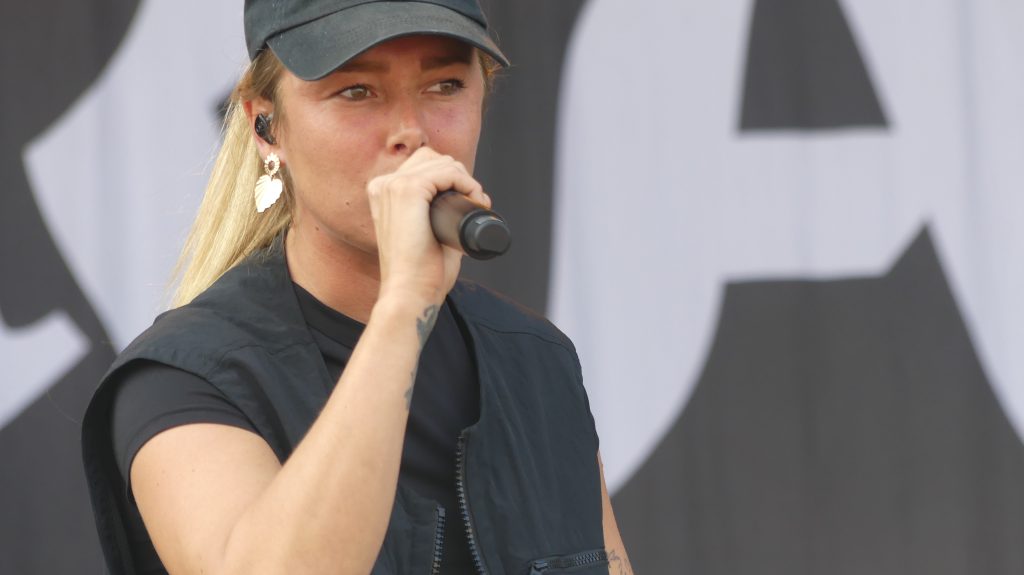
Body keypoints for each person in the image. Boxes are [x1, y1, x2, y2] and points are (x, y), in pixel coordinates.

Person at [81, 1, 634, 574]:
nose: (412, 132)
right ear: (265, 127)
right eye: (356, 91)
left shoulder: (536, 360)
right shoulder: (181, 380)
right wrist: (403, 305)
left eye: (444, 85)